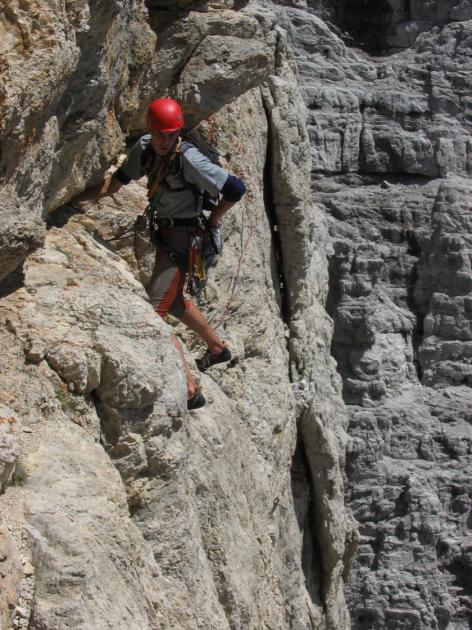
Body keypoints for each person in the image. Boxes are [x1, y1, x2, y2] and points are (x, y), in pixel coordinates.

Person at [73, 97, 246, 410]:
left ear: (178, 132)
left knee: (154, 313)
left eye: (170, 135)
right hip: (167, 235)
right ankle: (217, 349)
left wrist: (214, 221)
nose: (164, 141)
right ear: (150, 131)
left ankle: (190, 390)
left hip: (184, 239)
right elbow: (117, 183)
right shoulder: (145, 148)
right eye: (159, 134)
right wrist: (73, 200)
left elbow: (235, 189)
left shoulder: (189, 158)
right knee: (174, 302)